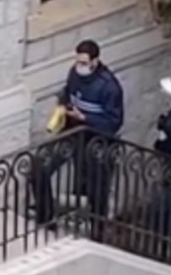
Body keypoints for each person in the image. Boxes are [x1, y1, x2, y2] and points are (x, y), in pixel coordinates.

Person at [32, 40, 124, 236]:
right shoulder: (74, 73)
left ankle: (97, 233)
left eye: (84, 63)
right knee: (39, 168)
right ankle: (46, 218)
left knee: (96, 191)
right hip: (72, 133)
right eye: (78, 61)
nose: (79, 67)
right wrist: (62, 104)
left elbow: (114, 122)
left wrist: (86, 118)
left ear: (95, 61)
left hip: (96, 140)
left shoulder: (109, 87)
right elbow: (68, 92)